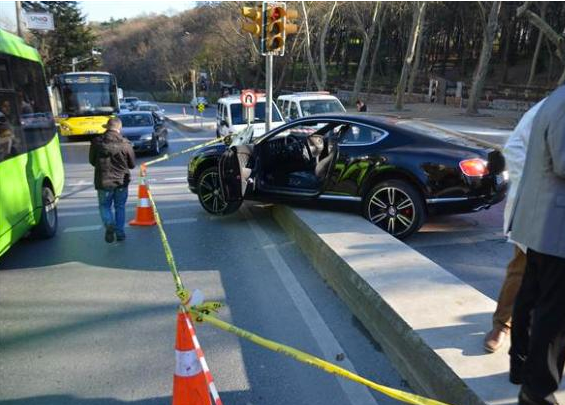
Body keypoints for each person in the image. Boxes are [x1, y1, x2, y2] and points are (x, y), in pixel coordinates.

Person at [508, 85, 565, 405]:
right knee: (553, 315)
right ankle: (538, 390)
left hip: (541, 224)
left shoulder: (554, 99)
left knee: (532, 300)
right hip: (557, 230)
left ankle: (523, 372)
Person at [483, 99, 546, 353]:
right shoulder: (547, 109)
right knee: (521, 268)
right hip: (538, 205)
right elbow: (514, 149)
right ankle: (501, 324)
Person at [89, 117, 135, 243]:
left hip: (103, 181)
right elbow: (132, 164)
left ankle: (109, 224)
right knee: (120, 207)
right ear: (119, 128)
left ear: (107, 127)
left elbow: (92, 161)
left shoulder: (96, 142)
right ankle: (120, 233)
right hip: (121, 181)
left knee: (104, 206)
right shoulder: (126, 144)